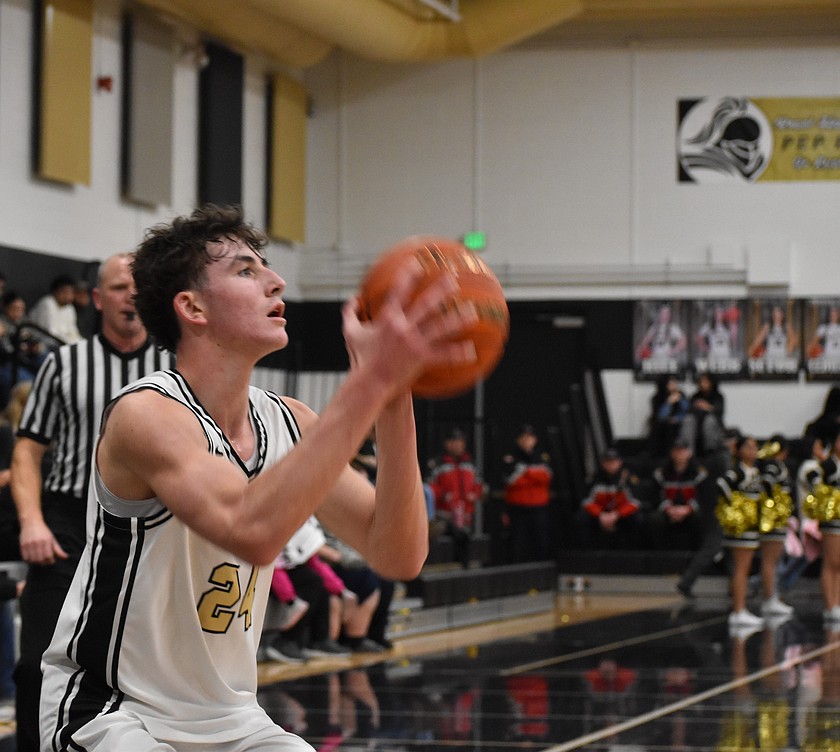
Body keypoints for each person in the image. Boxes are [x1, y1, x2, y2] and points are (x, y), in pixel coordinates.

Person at [39, 204, 475, 751]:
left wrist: (394, 395)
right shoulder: (146, 414)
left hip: (236, 720)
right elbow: (250, 530)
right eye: (246, 270)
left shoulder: (289, 421)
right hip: (116, 712)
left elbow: (398, 554)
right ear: (192, 307)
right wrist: (372, 383)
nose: (276, 280)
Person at [10, 253, 175, 752]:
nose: (130, 296)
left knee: (142, 671)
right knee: (37, 663)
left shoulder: (174, 367)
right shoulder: (65, 362)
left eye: (138, 288)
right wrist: (32, 522)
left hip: (145, 528)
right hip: (66, 523)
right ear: (99, 299)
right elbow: (27, 449)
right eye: (119, 288)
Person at [715, 434, 794, 633]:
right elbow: (722, 484)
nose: (752, 451)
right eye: (748, 447)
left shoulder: (755, 472)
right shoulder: (737, 471)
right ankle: (738, 611)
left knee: (746, 567)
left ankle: (741, 610)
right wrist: (735, 506)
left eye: (754, 447)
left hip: (752, 525)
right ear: (739, 450)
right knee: (741, 568)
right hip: (741, 526)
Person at [426, 427, 485, 568]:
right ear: (447, 444)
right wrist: (444, 495)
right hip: (443, 516)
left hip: (466, 515)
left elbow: (479, 485)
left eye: (460, 441)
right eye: (454, 441)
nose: (458, 445)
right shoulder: (438, 463)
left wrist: (475, 494)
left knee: (465, 538)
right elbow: (429, 488)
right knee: (457, 538)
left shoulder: (470, 463)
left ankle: (464, 571)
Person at [500, 424, 553, 563]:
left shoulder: (543, 456)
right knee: (516, 544)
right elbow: (511, 481)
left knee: (541, 543)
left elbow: (546, 477)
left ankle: (542, 578)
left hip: (538, 508)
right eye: (523, 437)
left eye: (530, 437)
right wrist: (534, 474)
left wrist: (525, 472)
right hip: (517, 509)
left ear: (535, 439)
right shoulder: (510, 457)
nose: (527, 441)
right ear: (518, 440)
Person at [577, 448, 643, 550]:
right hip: (601, 513)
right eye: (607, 461)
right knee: (582, 517)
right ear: (602, 463)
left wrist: (617, 514)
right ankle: (587, 553)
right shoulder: (594, 478)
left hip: (620, 514)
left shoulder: (628, 478)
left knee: (637, 518)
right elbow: (587, 501)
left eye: (613, 461)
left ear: (620, 462)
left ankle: (632, 552)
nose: (610, 464)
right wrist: (600, 514)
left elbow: (635, 502)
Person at [648, 438, 706, 551]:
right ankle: (661, 554)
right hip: (668, 511)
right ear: (671, 453)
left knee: (701, 518)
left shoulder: (700, 473)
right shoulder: (660, 473)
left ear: (689, 453)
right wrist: (669, 509)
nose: (679, 454)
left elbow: (703, 496)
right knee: (654, 519)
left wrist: (688, 509)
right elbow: (655, 496)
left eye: (683, 450)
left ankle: (696, 553)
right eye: (676, 450)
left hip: (690, 511)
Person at [27, 274, 82, 346]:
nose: (70, 296)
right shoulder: (47, 303)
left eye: (71, 292)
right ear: (57, 291)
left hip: (63, 344)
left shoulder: (70, 308)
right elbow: (50, 334)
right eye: (66, 292)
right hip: (41, 343)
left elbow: (73, 332)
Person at [647, 376, 689, 459]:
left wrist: (677, 417)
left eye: (675, 383)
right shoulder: (657, 398)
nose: (674, 386)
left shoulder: (681, 395)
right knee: (663, 426)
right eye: (671, 383)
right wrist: (668, 403)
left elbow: (687, 410)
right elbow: (660, 416)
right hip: (663, 424)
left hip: (679, 422)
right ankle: (660, 456)